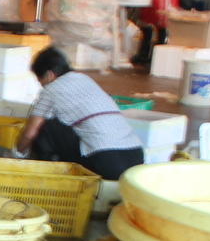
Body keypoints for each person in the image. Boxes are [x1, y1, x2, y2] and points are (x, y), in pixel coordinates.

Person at [14, 47, 144, 181]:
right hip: (136, 159)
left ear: (49, 74)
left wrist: (16, 153)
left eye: (40, 80)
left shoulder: (51, 89)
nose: (41, 85)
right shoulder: (84, 79)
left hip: (106, 161)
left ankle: (45, 177)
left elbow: (30, 133)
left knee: (47, 126)